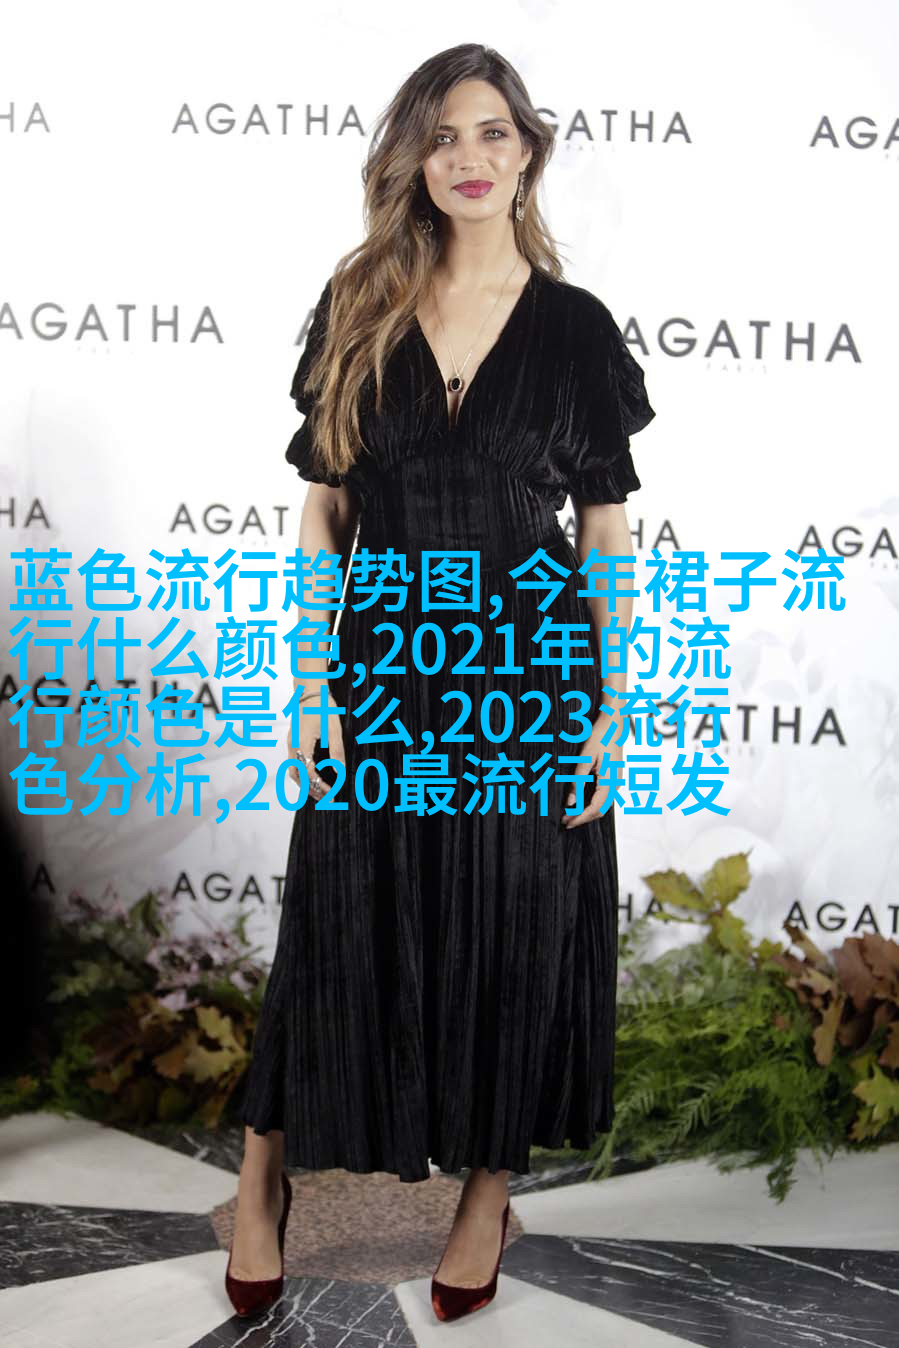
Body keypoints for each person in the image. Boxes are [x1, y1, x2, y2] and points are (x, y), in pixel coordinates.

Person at [225, 42, 655, 1324]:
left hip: (530, 678)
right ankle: (262, 1179)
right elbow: (323, 513)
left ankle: (483, 1200)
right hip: (379, 669)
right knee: (333, 926)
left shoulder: (574, 329)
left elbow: (606, 534)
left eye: (492, 132)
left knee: (517, 935)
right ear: (413, 159)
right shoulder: (360, 300)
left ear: (526, 152)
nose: (468, 157)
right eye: (442, 135)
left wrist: (609, 711)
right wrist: (311, 686)